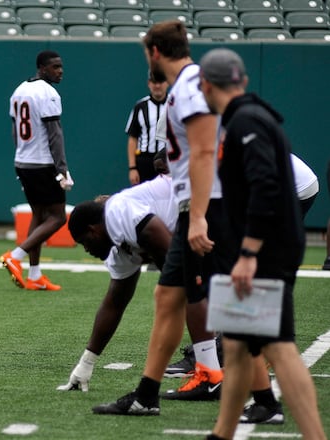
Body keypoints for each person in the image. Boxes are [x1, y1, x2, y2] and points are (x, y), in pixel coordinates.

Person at [92, 21, 231, 416]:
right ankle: (147, 394)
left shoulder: (188, 87)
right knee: (168, 296)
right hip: (200, 204)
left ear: (154, 52)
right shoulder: (184, 87)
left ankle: (255, 391)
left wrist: (199, 215)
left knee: (237, 295)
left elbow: (205, 152)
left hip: (208, 206)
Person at [198, 48, 326, 440]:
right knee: (236, 345)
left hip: (265, 252)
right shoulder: (250, 115)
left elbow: (266, 187)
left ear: (206, 85)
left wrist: (249, 252)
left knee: (279, 347)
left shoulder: (245, 122)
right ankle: (222, 433)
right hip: (264, 247)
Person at [64, 175, 209, 391]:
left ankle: (210, 369)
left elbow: (160, 238)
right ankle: (214, 362)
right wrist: (86, 363)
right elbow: (115, 302)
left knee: (183, 288)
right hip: (196, 216)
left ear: (93, 229)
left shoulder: (116, 213)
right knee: (180, 290)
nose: (87, 250)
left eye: (84, 242)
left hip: (210, 202)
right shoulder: (117, 247)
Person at [1, 50, 74, 291]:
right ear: (42, 68)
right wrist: (62, 169)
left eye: (61, 66)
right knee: (57, 217)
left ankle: (34, 274)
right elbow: (55, 134)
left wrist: (21, 155)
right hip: (43, 163)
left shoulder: (19, 90)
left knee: (39, 215)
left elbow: (14, 132)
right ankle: (16, 256)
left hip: (22, 161)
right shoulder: (48, 92)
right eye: (55, 67)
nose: (60, 71)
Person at [125, 72, 168, 185]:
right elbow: (132, 138)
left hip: (167, 160)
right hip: (144, 161)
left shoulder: (174, 104)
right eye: (154, 82)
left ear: (167, 83)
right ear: (149, 83)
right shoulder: (140, 106)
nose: (157, 86)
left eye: (160, 82)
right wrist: (132, 168)